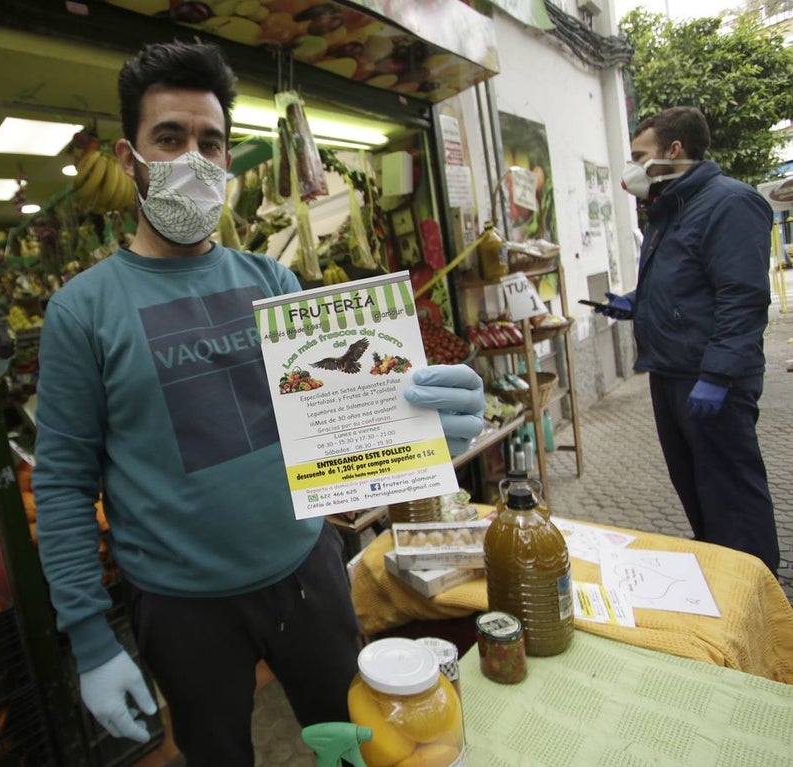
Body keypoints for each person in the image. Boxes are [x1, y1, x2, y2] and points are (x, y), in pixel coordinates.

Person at [32, 40, 486, 765]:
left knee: (355, 743)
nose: (194, 158)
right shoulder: (82, 311)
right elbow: (60, 484)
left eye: (210, 142)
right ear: (129, 157)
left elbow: (335, 414)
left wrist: (421, 421)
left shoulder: (273, 282)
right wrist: (89, 637)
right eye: (169, 138)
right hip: (181, 607)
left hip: (306, 571)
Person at [599, 106, 778, 572]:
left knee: (731, 497)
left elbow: (742, 298)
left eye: (640, 155)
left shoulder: (729, 203)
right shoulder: (670, 208)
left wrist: (718, 375)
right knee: (699, 492)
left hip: (711, 380)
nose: (632, 167)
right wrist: (635, 301)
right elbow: (686, 280)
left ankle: (756, 591)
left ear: (674, 151)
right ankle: (721, 577)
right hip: (672, 373)